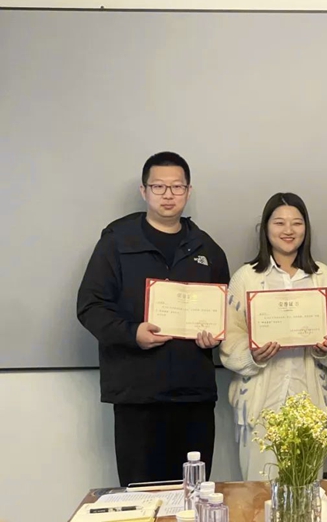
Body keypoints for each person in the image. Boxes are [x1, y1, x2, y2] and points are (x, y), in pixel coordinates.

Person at [77, 151, 230, 486]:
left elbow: (223, 314)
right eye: (159, 186)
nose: (168, 195)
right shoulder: (116, 244)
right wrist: (132, 333)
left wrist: (214, 337)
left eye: (177, 187)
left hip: (194, 395)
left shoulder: (208, 249)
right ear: (144, 191)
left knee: (193, 494)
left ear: (188, 191)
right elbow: (90, 306)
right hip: (138, 395)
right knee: (141, 495)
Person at [219, 192, 327, 481]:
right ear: (265, 228)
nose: (288, 230)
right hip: (260, 402)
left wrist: (325, 349)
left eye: (297, 223)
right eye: (279, 223)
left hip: (310, 401)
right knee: (259, 489)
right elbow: (229, 344)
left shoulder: (322, 276)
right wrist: (252, 355)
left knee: (307, 488)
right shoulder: (246, 277)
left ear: (306, 229)